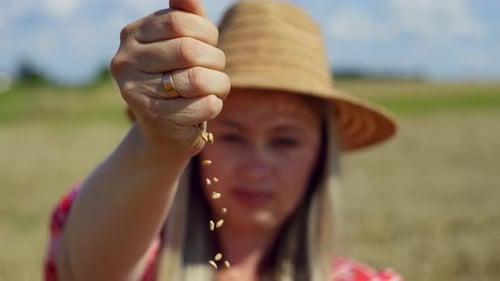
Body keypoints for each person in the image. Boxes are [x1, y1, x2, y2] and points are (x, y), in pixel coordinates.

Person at [44, 0, 402, 280]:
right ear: (199, 139)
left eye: (285, 141)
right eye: (231, 135)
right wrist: (157, 146)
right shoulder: (142, 248)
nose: (255, 169)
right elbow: (87, 271)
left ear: (322, 151)